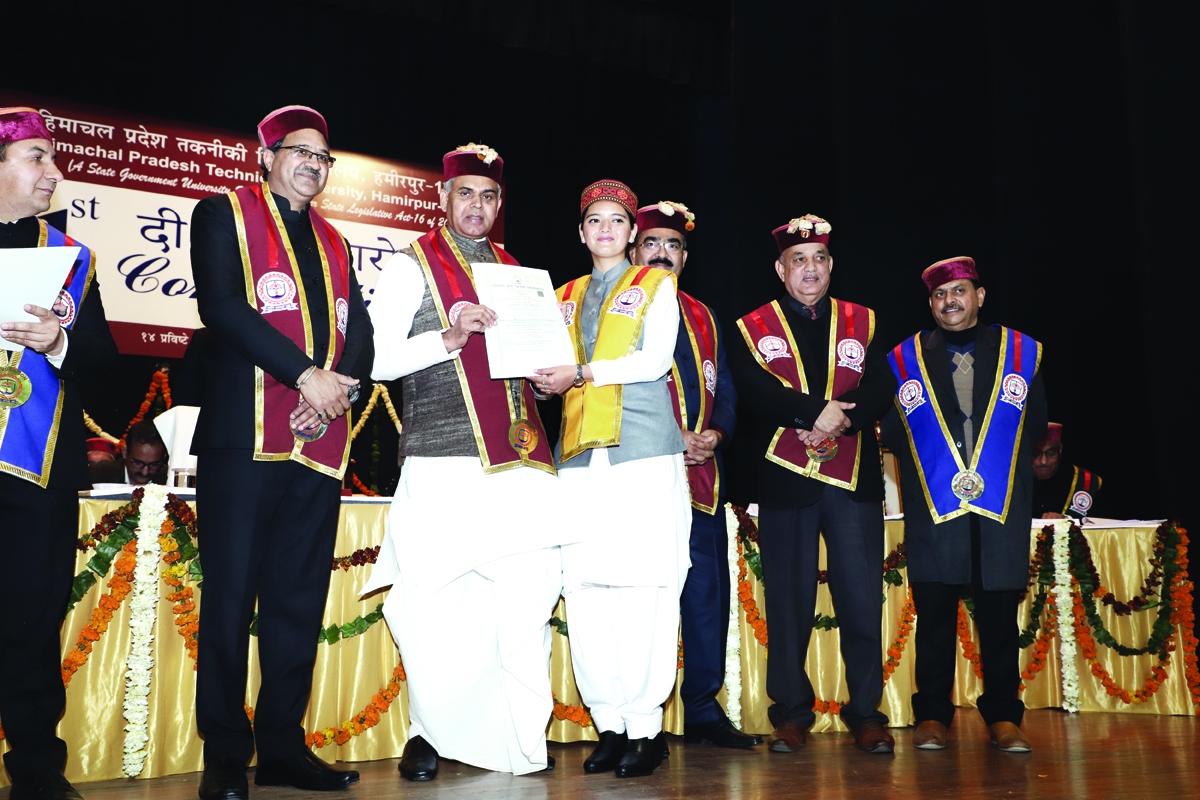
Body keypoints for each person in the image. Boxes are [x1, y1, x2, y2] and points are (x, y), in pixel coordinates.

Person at [361, 143, 569, 779]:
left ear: (499, 204)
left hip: (524, 462)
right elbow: (373, 361)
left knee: (524, 602)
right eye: (465, 194)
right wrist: (448, 338)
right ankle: (429, 732)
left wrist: (547, 382)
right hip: (442, 456)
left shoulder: (521, 275)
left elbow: (533, 367)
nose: (476, 206)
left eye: (488, 196)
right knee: (433, 602)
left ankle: (518, 736)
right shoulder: (409, 267)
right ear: (442, 198)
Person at [188, 106, 372, 800]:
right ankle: (226, 757)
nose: (312, 165)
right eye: (300, 152)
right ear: (264, 156)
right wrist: (305, 375)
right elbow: (224, 310)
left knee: (297, 600)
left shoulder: (336, 242)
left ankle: (285, 748)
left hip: (319, 442)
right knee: (231, 601)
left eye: (324, 158)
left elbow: (361, 332)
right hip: (244, 439)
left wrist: (336, 387)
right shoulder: (222, 215)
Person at [535, 180, 691, 779]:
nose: (604, 229)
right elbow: (539, 359)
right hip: (578, 459)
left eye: (616, 221)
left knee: (646, 586)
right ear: (581, 232)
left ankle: (647, 728)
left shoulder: (657, 284)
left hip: (643, 456)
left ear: (633, 233)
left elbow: (653, 361)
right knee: (587, 590)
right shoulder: (562, 295)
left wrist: (580, 370)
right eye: (593, 220)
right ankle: (611, 724)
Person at [729, 215, 895, 754]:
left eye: (819, 259)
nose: (810, 268)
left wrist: (841, 418)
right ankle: (791, 713)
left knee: (862, 600)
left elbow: (883, 385)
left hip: (853, 483)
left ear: (831, 266)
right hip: (785, 480)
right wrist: (814, 413)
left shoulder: (863, 321)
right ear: (780, 269)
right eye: (798, 260)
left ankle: (867, 712)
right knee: (788, 602)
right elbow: (752, 389)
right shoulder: (752, 325)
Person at [879, 256, 1046, 753]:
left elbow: (1034, 423)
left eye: (958, 291)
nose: (949, 302)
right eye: (938, 295)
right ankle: (932, 715)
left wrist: (990, 466)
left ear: (979, 296)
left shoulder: (1020, 351)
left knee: (997, 617)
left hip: (999, 501)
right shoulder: (906, 358)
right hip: (934, 503)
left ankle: (1004, 717)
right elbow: (891, 429)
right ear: (930, 304)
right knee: (933, 613)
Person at [0, 106, 118, 800]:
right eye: (37, 157)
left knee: (32, 620)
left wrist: (59, 343)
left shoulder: (72, 257)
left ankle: (38, 772)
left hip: (35, 465)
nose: (54, 172)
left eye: (53, 158)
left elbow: (104, 362)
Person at [629, 201, 758, 749]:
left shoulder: (703, 315)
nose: (663, 253)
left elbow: (724, 385)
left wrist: (717, 436)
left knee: (706, 600)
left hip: (703, 480)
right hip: (639, 478)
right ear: (634, 250)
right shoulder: (618, 306)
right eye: (652, 243)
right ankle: (642, 721)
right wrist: (671, 435)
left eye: (673, 245)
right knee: (644, 599)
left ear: (686, 256)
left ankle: (704, 710)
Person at [1031, 423, 1103, 519]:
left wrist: (1066, 521)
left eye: (1051, 453)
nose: (1044, 461)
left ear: (1060, 450)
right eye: (1036, 454)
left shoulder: (1084, 481)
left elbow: (1103, 526)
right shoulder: (1013, 482)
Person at [121, 419, 168, 486]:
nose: (145, 472)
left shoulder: (170, 479)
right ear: (124, 452)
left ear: (164, 455)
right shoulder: (103, 475)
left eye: (154, 464)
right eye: (138, 463)